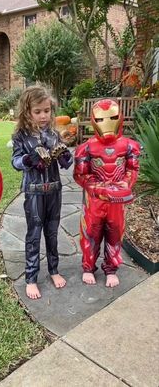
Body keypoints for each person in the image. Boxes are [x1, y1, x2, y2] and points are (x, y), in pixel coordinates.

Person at [11, 85, 73, 299]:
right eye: (37, 111)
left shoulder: (54, 134)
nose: (43, 115)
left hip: (54, 190)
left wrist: (65, 156)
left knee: (53, 233)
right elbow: (15, 162)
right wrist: (28, 160)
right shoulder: (21, 135)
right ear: (27, 111)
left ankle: (54, 270)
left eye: (47, 110)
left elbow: (65, 162)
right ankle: (31, 277)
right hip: (35, 191)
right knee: (34, 233)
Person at [73, 99, 140, 287]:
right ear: (94, 120)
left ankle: (111, 269)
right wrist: (99, 189)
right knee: (90, 233)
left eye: (112, 117)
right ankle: (88, 267)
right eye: (101, 118)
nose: (107, 122)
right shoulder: (86, 148)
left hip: (117, 201)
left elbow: (133, 169)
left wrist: (124, 185)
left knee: (115, 233)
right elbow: (80, 175)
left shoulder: (129, 145)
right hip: (95, 201)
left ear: (120, 118)